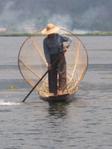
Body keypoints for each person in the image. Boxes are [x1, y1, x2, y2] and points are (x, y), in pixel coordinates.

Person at [41, 23, 71, 95]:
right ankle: (53, 91)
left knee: (62, 73)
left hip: (60, 56)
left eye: (52, 33)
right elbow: (46, 52)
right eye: (50, 33)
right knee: (52, 74)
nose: (51, 34)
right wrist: (49, 63)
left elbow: (70, 39)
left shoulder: (59, 37)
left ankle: (61, 90)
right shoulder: (45, 41)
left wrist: (66, 47)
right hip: (52, 58)